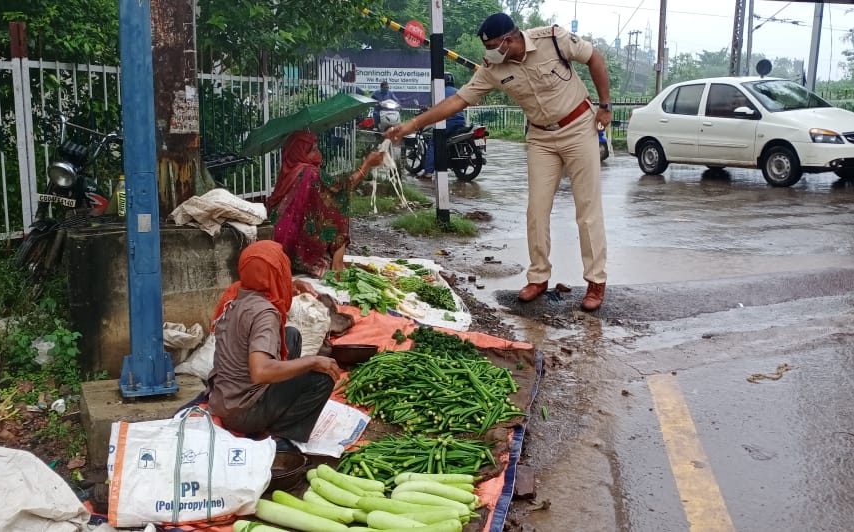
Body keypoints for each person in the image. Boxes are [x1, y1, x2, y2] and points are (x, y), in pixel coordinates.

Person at [384, 13, 614, 311]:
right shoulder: (493, 68)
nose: (490, 51)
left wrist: (605, 105)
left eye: (494, 45)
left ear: (510, 38)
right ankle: (539, 277)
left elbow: (595, 58)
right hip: (541, 138)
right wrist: (412, 125)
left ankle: (596, 281)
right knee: (537, 210)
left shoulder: (553, 39)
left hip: (578, 126)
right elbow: (458, 101)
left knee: (587, 210)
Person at [207, 240, 341, 444]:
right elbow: (260, 371)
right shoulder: (264, 313)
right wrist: (313, 362)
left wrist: (290, 285)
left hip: (223, 399)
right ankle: (283, 439)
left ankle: (275, 411)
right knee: (322, 378)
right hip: (244, 413)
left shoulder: (235, 295)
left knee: (291, 335)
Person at [266, 130, 385, 278]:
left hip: (278, 242)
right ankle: (336, 264)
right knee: (337, 207)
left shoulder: (289, 172)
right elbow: (342, 188)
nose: (318, 153)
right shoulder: (311, 173)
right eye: (313, 150)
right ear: (301, 152)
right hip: (297, 246)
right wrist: (367, 164)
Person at [421, 73, 468, 180]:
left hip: (447, 122)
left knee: (433, 144)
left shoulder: (438, 92)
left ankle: (428, 173)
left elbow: (432, 108)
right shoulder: (458, 91)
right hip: (461, 122)